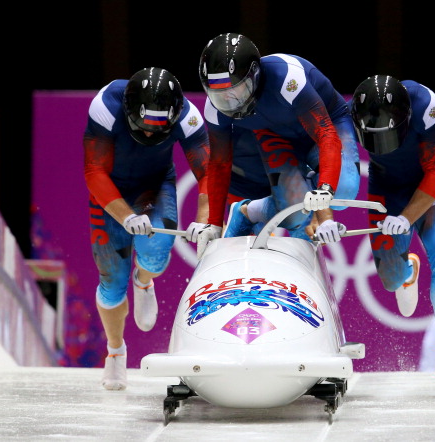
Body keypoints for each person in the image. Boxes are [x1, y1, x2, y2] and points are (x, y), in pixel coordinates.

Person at [83, 67, 210, 390]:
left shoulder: (187, 116)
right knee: (111, 285)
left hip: (154, 188)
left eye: (159, 128)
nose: (151, 134)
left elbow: (210, 172)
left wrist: (205, 218)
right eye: (145, 126)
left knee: (153, 256)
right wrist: (125, 215)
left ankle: (144, 282)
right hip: (109, 191)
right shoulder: (105, 105)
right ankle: (116, 352)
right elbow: (94, 171)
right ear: (129, 111)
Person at [194, 32, 360, 254]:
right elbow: (219, 164)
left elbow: (325, 134)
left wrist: (325, 189)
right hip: (275, 135)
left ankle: (289, 194)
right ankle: (247, 211)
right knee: (294, 214)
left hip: (326, 125)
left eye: (235, 90)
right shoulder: (214, 109)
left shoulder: (289, 79)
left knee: (342, 194)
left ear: (254, 76)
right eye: (219, 94)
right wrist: (214, 223)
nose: (229, 101)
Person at [350, 75, 435, 379]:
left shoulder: (427, 105)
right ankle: (406, 271)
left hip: (427, 182)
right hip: (385, 186)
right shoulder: (351, 112)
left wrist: (406, 218)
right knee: (390, 281)